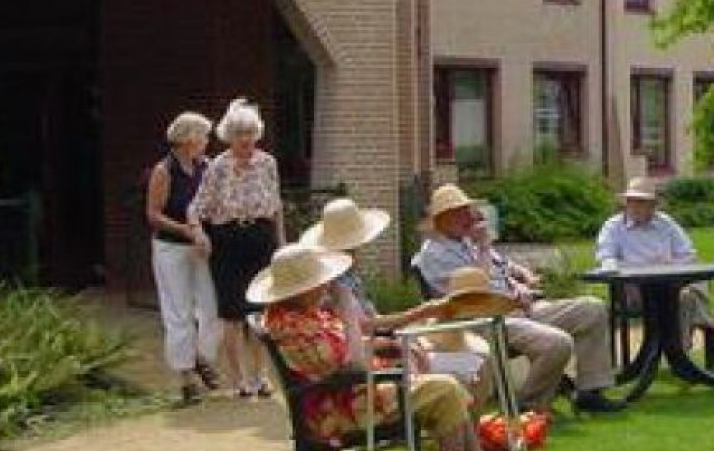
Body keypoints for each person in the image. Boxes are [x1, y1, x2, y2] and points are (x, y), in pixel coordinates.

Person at [252, 244, 518, 451]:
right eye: (319, 280)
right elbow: (352, 365)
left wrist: (389, 347)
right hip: (341, 409)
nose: (326, 284)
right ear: (301, 288)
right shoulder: (294, 326)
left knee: (448, 386)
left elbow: (346, 350)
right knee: (447, 388)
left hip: (353, 394)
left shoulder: (302, 315)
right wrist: (346, 310)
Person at [412, 184, 625, 413]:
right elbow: (477, 292)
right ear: (442, 220)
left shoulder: (464, 241)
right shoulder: (433, 255)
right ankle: (526, 407)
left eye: (467, 209)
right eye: (459, 212)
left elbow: (501, 266)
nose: (468, 216)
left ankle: (590, 392)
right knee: (556, 343)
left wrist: (522, 276)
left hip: (519, 309)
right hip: (484, 322)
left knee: (591, 309)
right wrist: (484, 248)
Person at [300, 197, 493, 404]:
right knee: (476, 364)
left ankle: (470, 427)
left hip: (385, 347)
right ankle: (467, 425)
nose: (359, 249)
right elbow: (363, 327)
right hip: (380, 360)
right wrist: (420, 314)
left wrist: (416, 321)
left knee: (471, 353)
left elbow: (372, 320)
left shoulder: (348, 275)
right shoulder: (334, 284)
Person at [594, 177, 714, 368]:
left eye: (643, 202)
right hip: (634, 290)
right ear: (626, 203)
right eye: (632, 201)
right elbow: (606, 258)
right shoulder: (613, 227)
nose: (636, 206)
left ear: (653, 205)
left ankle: (680, 355)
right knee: (688, 295)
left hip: (670, 285)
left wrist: (669, 266)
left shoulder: (666, 224)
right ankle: (708, 345)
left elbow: (688, 254)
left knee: (692, 289)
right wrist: (633, 269)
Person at [189, 98, 284, 399]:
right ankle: (239, 378)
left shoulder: (268, 163)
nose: (245, 140)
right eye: (239, 133)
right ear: (229, 136)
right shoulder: (218, 167)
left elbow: (277, 205)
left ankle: (261, 375)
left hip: (261, 237)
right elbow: (197, 208)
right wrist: (199, 234)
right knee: (232, 313)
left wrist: (281, 242)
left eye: (250, 133)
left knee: (260, 311)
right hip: (228, 240)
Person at [145, 112, 222, 405]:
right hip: (171, 248)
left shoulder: (208, 167)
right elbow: (153, 214)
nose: (206, 142)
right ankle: (186, 377)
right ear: (188, 140)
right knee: (178, 312)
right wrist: (186, 229)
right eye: (203, 136)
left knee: (211, 306)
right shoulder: (163, 171)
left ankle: (202, 357)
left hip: (202, 246)